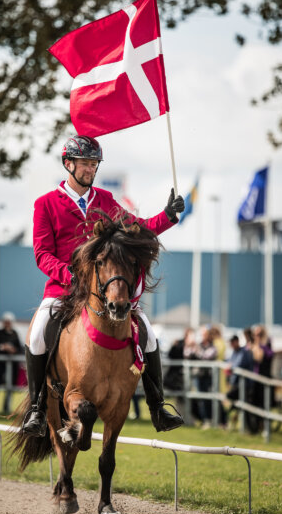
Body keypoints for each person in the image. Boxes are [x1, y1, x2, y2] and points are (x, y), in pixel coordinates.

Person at [23, 134, 185, 436]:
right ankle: (36, 409)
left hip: (105, 292)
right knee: (36, 337)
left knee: (148, 334)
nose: (91, 169)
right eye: (85, 163)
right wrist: (69, 275)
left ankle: (158, 406)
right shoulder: (45, 204)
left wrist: (168, 217)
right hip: (64, 289)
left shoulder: (106, 201)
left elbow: (137, 229)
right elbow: (41, 254)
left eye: (94, 164)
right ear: (68, 164)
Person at [0, 312, 23, 412]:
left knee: (10, 386)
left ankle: (6, 407)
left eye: (9, 322)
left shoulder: (14, 334)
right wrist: (2, 347)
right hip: (0, 364)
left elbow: (19, 348)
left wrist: (13, 350)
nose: (7, 323)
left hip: (12, 365)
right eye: (6, 322)